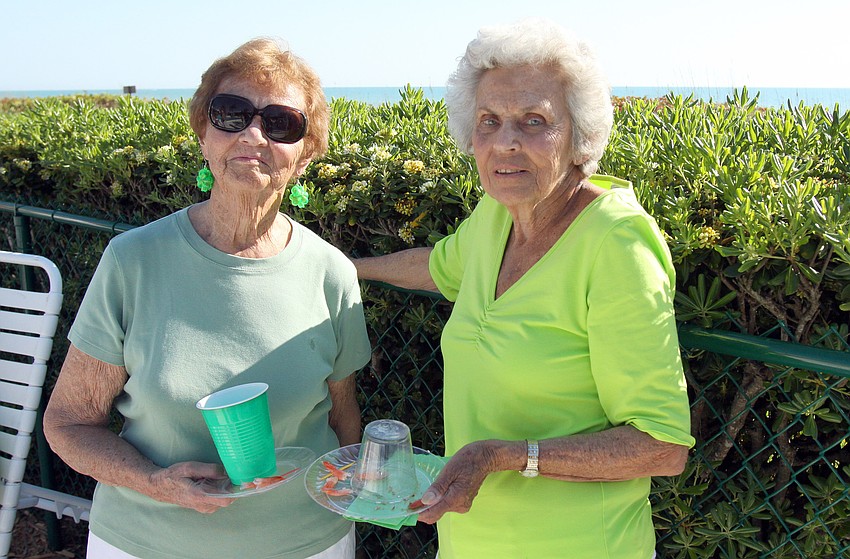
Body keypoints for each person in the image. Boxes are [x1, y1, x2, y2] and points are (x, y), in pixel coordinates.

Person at [353, 19, 695, 559]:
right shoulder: (497, 216)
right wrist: (348, 268)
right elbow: (438, 267)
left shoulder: (616, 243)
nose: (507, 141)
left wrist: (504, 455)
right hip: (469, 543)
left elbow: (661, 446)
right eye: (490, 121)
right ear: (471, 137)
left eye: (534, 121)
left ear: (580, 138)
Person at [43, 38, 371, 559]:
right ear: (203, 134)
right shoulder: (133, 261)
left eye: (281, 122)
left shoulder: (331, 272)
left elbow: (341, 421)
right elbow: (68, 425)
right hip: (146, 544)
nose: (254, 134)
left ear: (306, 156)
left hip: (308, 544)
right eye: (231, 113)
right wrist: (154, 480)